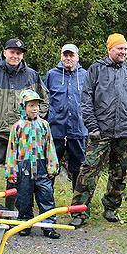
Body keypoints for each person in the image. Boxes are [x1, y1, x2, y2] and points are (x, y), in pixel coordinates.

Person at [69, 33, 127, 228]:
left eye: (126, 49)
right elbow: (86, 100)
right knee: (88, 171)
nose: (124, 52)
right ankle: (79, 211)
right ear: (110, 49)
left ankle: (111, 207)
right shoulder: (96, 69)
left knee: (119, 173)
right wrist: (92, 126)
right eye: (120, 48)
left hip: (124, 131)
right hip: (100, 131)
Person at [0, 38, 48, 209]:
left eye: (19, 53)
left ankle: (13, 214)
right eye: (12, 52)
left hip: (22, 139)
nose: (15, 56)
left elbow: (45, 100)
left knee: (18, 178)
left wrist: (33, 122)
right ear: (4, 52)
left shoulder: (32, 75)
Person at [4, 90, 60, 238]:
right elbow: (11, 150)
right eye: (31, 105)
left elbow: (50, 146)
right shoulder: (17, 127)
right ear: (23, 106)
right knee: (23, 197)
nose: (35, 108)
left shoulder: (44, 125)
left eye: (37, 105)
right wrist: (11, 171)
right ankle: (25, 223)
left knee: (46, 195)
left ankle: (48, 225)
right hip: (24, 166)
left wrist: (52, 165)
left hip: (41, 165)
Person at [44, 43, 88, 191]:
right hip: (55, 130)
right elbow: (44, 101)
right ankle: (46, 203)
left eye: (71, 55)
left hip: (78, 129)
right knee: (50, 168)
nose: (68, 58)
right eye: (65, 55)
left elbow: (92, 101)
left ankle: (77, 205)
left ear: (77, 57)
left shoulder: (86, 75)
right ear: (61, 56)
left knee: (79, 168)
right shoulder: (51, 75)